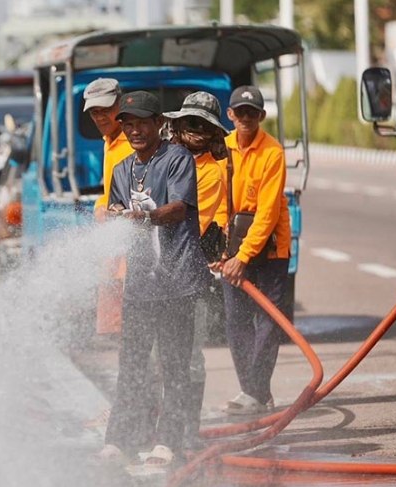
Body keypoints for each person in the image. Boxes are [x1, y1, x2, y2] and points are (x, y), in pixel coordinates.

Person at [103, 91, 210, 467]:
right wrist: (116, 214)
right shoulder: (121, 170)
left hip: (177, 281)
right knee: (131, 365)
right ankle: (120, 438)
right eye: (128, 124)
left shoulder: (177, 159)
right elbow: (117, 216)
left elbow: (180, 209)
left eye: (141, 122)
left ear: (157, 125)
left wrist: (143, 218)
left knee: (175, 365)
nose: (134, 130)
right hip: (141, 286)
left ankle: (169, 441)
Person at [217, 85, 291, 415]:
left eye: (252, 113)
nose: (246, 118)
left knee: (269, 320)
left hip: (270, 248)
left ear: (261, 116)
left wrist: (243, 257)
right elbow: (219, 203)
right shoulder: (222, 148)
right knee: (236, 321)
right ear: (230, 115)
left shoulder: (272, 153)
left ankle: (254, 391)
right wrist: (222, 250)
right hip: (231, 248)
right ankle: (255, 391)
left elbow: (268, 213)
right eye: (240, 112)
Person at [163, 90, 230, 448]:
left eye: (204, 125)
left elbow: (187, 223)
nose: (196, 130)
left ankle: (187, 431)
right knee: (159, 356)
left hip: (189, 275)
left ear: (213, 133)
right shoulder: (164, 160)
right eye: (191, 122)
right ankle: (164, 429)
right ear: (178, 124)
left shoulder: (210, 174)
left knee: (188, 356)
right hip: (157, 273)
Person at [83, 78, 131, 219]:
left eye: (106, 110)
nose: (100, 117)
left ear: (121, 104)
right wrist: (101, 205)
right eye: (94, 112)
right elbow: (111, 193)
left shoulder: (135, 143)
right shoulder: (109, 141)